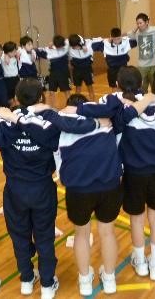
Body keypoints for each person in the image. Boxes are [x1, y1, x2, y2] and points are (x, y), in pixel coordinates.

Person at [74, 66, 155, 281]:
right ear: (141, 83)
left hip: (134, 172)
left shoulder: (116, 105)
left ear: (117, 84)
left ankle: (140, 262)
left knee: (136, 220)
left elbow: (100, 109)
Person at [23, 94, 121, 296]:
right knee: (108, 233)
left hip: (78, 190)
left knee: (81, 234)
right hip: (109, 186)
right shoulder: (106, 122)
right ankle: (109, 278)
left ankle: (85, 280)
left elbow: (58, 163)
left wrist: (51, 111)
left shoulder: (61, 129)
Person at [0, 78, 67, 299]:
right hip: (42, 188)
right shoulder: (49, 122)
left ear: (16, 98)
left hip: (15, 189)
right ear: (41, 97)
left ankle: (26, 279)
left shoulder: (5, 120)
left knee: (19, 236)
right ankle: (47, 284)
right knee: (44, 236)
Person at [92, 27, 137, 92]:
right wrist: (106, 39)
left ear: (121, 37)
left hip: (123, 70)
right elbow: (92, 44)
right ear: (111, 37)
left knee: (124, 87)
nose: (117, 41)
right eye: (114, 39)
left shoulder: (126, 42)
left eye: (118, 39)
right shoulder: (104, 44)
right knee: (114, 88)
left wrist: (126, 34)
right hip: (112, 71)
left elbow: (135, 42)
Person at [127, 13, 155, 92]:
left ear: (147, 22)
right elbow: (129, 35)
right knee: (141, 89)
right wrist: (136, 28)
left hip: (153, 65)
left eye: (140, 23)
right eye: (137, 23)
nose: (139, 25)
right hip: (141, 66)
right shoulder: (137, 33)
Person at [35, 35, 70, 107]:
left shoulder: (66, 46)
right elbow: (38, 50)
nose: (60, 47)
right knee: (51, 91)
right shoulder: (50, 50)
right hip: (53, 73)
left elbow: (72, 39)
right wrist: (49, 46)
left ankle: (70, 105)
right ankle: (53, 107)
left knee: (66, 90)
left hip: (63, 73)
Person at [68, 34, 97, 101]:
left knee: (90, 88)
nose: (74, 48)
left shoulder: (88, 45)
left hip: (87, 70)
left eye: (76, 46)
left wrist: (83, 45)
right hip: (77, 71)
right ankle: (76, 103)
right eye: (73, 47)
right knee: (77, 89)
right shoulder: (69, 47)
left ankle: (93, 103)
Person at [1, 41, 19, 107]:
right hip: (8, 80)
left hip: (16, 78)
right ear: (8, 52)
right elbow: (7, 61)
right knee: (10, 97)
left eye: (15, 51)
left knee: (16, 95)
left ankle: (17, 107)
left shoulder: (14, 56)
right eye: (13, 52)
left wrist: (16, 54)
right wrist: (5, 53)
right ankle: (12, 108)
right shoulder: (4, 57)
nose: (15, 53)